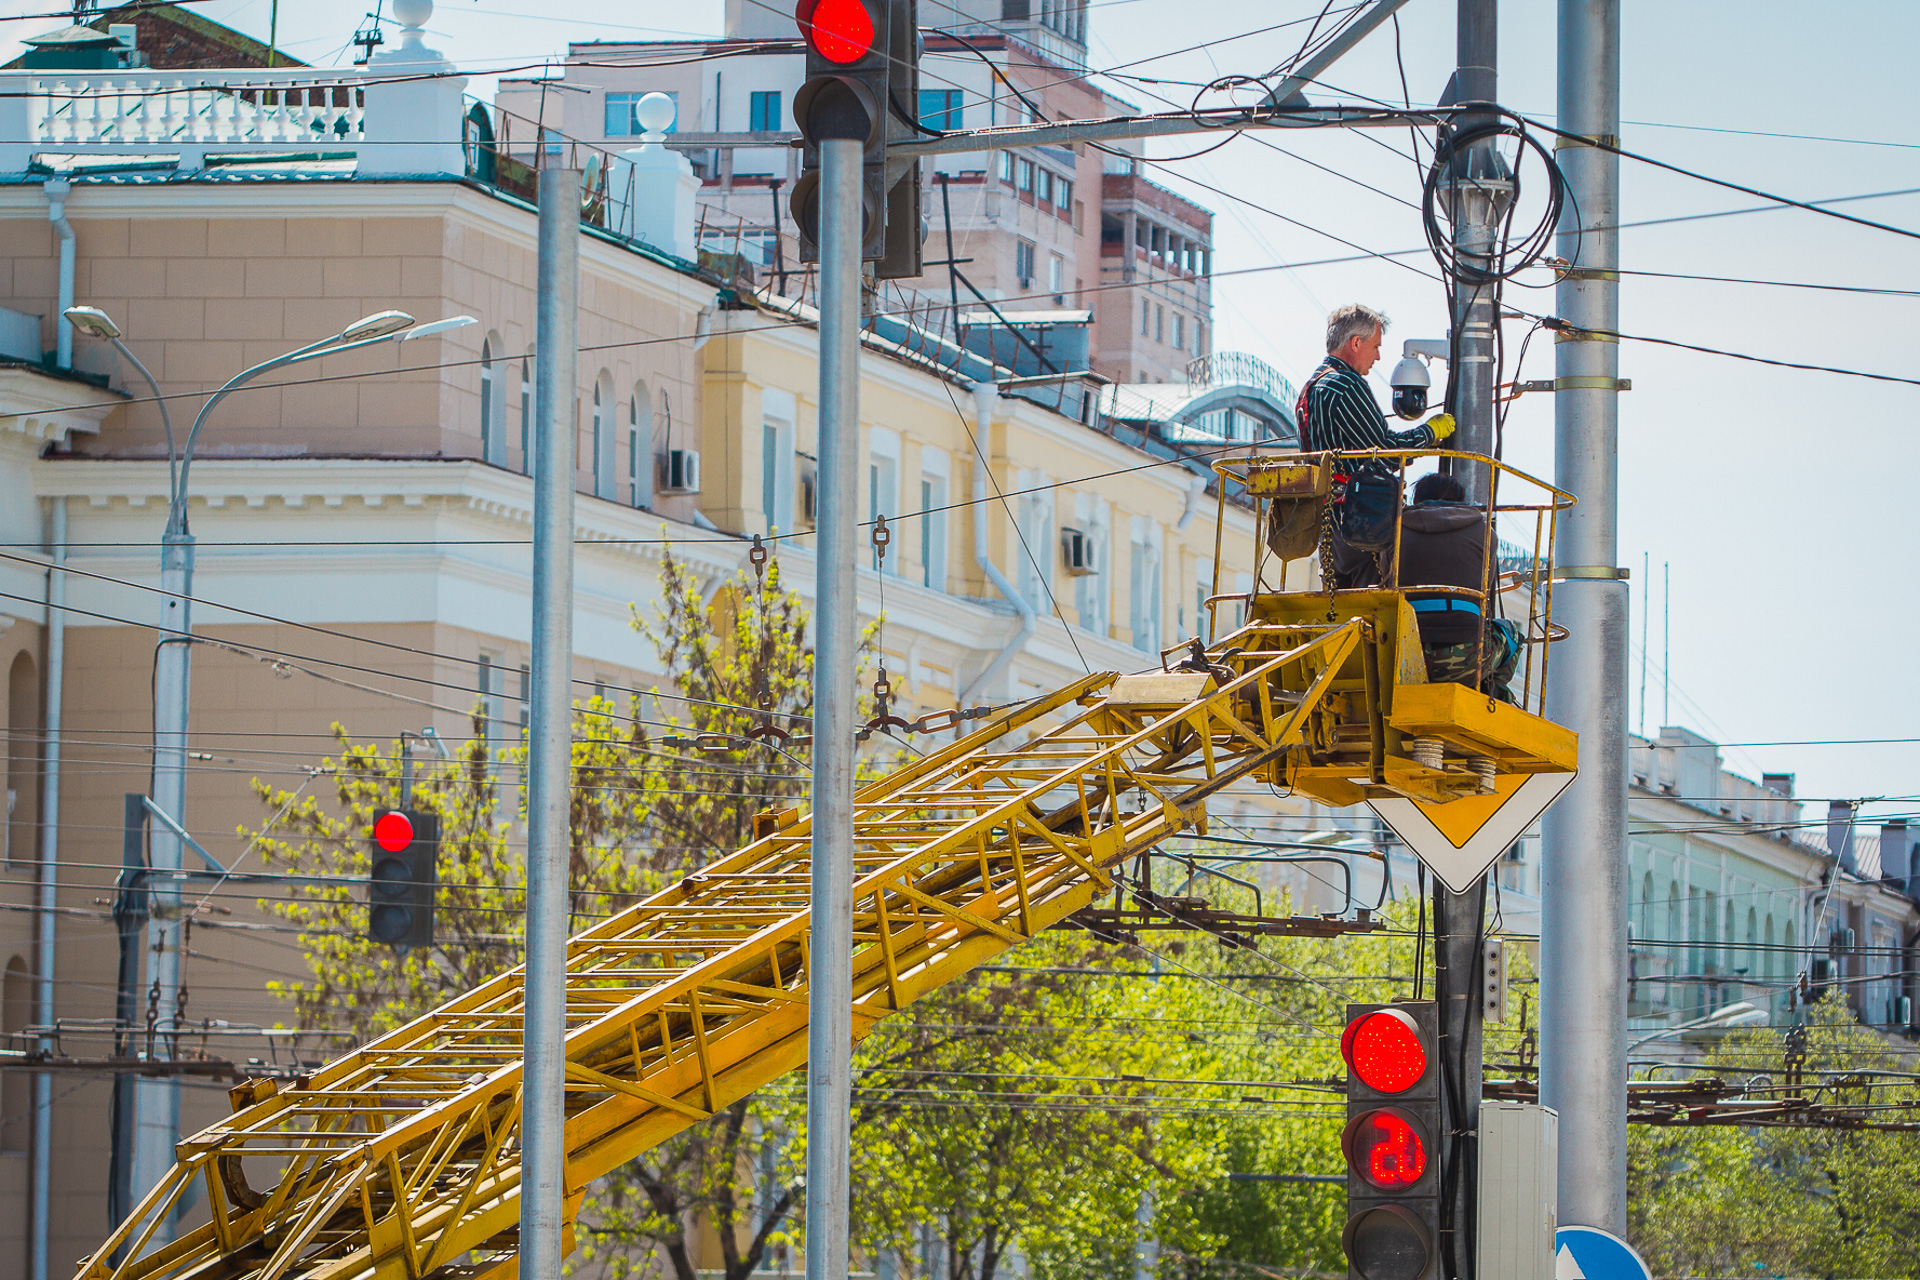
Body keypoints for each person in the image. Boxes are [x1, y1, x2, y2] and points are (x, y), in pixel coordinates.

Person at [1296, 304, 1456, 587]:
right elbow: (1386, 453)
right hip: (1361, 525)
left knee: (1343, 614)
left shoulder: (1311, 388)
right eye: (1375, 346)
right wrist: (1429, 433)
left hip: (1327, 526)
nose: (1378, 356)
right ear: (1356, 343)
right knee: (1374, 612)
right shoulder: (1345, 384)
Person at [1399, 471, 1517, 698]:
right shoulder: (1485, 533)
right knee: (1511, 633)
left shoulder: (1395, 530)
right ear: (1461, 501)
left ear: (1417, 499)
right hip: (1467, 659)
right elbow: (1487, 601)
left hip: (1401, 654)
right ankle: (1492, 696)